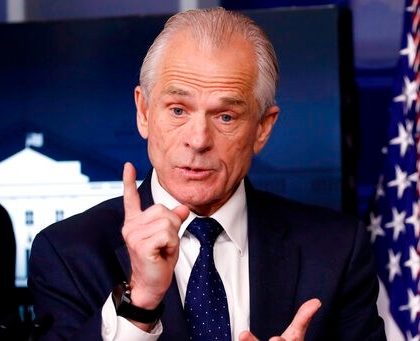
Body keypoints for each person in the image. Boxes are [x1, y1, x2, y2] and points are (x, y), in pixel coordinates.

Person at [28, 7, 386, 341]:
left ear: (262, 128)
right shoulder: (68, 252)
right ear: (143, 112)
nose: (198, 141)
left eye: (225, 117)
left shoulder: (336, 250)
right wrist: (140, 300)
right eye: (178, 110)